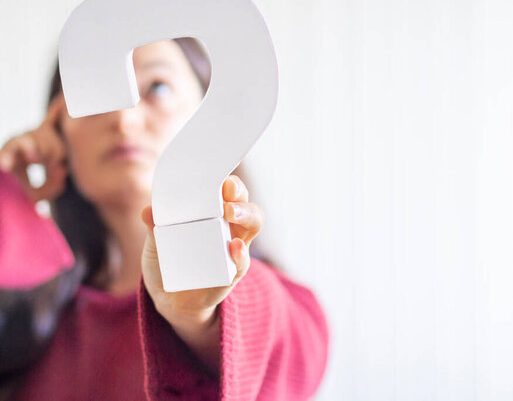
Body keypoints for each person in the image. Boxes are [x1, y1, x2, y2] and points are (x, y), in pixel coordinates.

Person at [0, 38, 329, 400]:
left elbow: (282, 357)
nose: (124, 120)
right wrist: (9, 205)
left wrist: (199, 317)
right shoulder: (33, 319)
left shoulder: (279, 309)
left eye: (157, 87)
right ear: (57, 129)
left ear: (210, 116)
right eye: (95, 96)